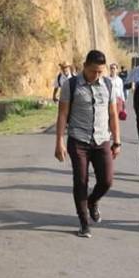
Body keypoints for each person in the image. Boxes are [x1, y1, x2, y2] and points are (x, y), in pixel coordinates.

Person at [54, 50, 121, 238]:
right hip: (78, 140)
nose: (97, 75)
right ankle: (84, 222)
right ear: (85, 66)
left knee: (107, 181)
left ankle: (93, 201)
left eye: (100, 71)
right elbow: (62, 114)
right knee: (81, 181)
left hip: (102, 140)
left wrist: (117, 141)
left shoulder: (108, 84)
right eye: (93, 71)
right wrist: (59, 141)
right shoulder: (71, 85)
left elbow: (113, 114)